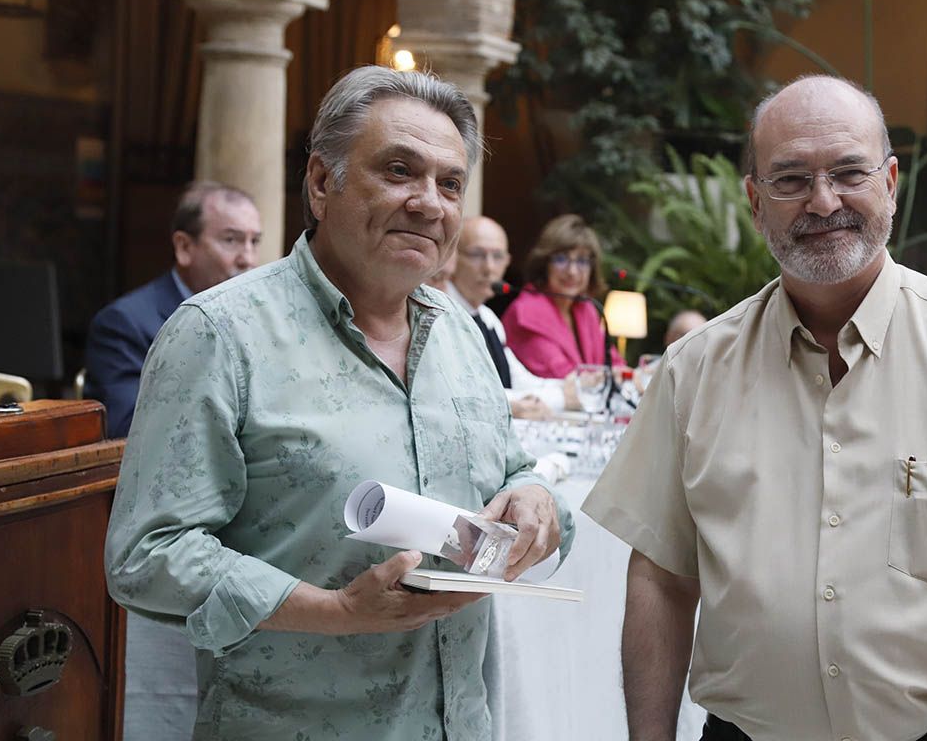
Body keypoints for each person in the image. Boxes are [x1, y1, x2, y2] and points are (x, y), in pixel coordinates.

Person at [583, 75, 927, 741]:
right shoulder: (694, 372)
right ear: (755, 200)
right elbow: (660, 579)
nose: (823, 200)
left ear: (890, 181)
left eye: (849, 172)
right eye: (791, 179)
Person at [104, 66, 574, 741]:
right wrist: (334, 609)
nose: (429, 203)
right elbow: (146, 555)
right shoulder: (220, 332)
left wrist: (533, 496)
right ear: (323, 184)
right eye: (399, 170)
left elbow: (514, 468)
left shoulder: (462, 333)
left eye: (450, 183)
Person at [83, 181, 261, 438]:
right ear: (184, 248)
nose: (248, 259)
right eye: (231, 240)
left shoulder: (259, 318)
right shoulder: (124, 324)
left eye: (254, 241)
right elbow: (127, 431)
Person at [447, 215, 575, 420]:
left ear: (507, 262)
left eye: (497, 257)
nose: (489, 268)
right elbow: (470, 395)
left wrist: (572, 387)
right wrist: (561, 396)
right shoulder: (441, 315)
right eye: (477, 255)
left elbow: (518, 379)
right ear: (451, 257)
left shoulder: (488, 318)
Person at [501, 213, 622, 378]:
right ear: (544, 264)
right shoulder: (526, 312)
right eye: (561, 259)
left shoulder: (585, 308)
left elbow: (615, 364)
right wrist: (614, 378)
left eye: (581, 261)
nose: (572, 271)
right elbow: (564, 378)